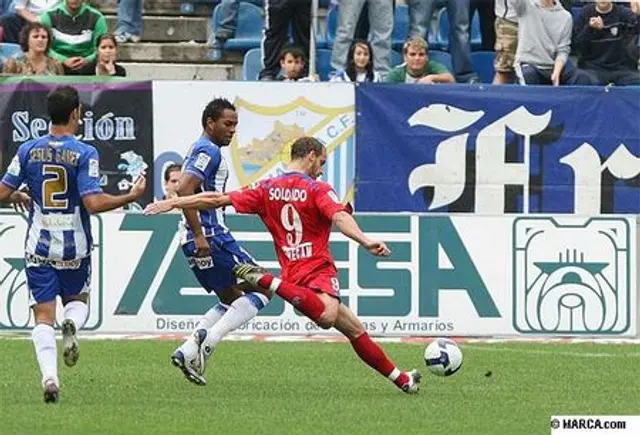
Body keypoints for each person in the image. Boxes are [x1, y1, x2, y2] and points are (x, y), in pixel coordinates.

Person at [144, 137, 421, 394]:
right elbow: (339, 216)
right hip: (317, 269)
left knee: (354, 329)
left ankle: (403, 380)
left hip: (294, 275)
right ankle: (268, 282)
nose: (321, 171)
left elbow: (217, 199)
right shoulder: (317, 188)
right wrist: (364, 239)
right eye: (321, 163)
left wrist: (176, 201)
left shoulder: (266, 188)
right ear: (311, 156)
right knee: (326, 317)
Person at [0, 86, 146, 403]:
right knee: (78, 301)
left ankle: (50, 378)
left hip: (38, 245)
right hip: (74, 247)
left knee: (41, 316)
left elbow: (1, 192)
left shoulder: (27, 150)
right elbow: (92, 203)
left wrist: (18, 193)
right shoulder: (84, 153)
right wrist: (130, 196)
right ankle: (71, 323)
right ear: (76, 113)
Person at [167, 98, 271, 386]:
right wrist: (200, 234)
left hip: (194, 239)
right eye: (227, 124)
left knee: (229, 298)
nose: (232, 130)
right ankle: (208, 342)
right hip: (211, 237)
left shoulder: (202, 149)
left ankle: (188, 347)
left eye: (235, 124)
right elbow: (184, 189)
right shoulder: (208, 149)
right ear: (209, 123)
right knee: (264, 288)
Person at [572, 0, 640, 86]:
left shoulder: (623, 13)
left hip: (622, 70)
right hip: (592, 69)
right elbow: (576, 46)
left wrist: (639, 16)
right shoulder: (585, 13)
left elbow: (636, 31)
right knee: (583, 79)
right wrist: (590, 29)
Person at [39, 0, 108, 75]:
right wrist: (63, 60)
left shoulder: (97, 17)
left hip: (87, 65)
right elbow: (43, 47)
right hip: (56, 64)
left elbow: (102, 47)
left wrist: (87, 59)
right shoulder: (48, 16)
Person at [386, 36, 455, 84]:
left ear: (427, 57)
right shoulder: (396, 74)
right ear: (405, 57)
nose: (417, 58)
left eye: (421, 54)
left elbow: (451, 79)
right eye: (412, 54)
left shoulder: (432, 66)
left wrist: (431, 77)